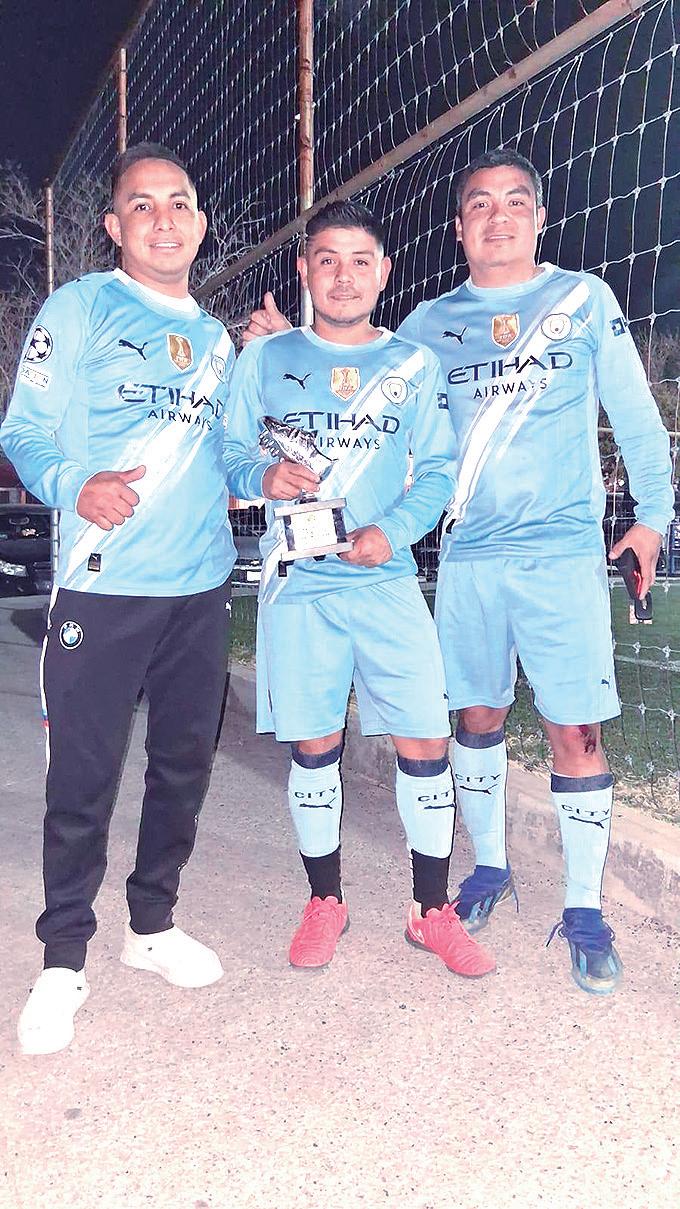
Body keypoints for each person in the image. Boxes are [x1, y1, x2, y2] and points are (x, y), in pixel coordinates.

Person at [243, 151, 674, 995]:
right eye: (480, 204)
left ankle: (585, 910)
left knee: (576, 730)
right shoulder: (427, 327)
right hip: (469, 555)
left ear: (539, 217)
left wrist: (652, 516)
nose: (498, 216)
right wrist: (281, 347)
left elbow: (634, 412)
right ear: (459, 227)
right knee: (474, 718)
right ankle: (489, 870)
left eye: (515, 201)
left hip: (560, 553)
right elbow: (354, 379)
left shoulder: (584, 300)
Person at [1, 143, 237, 1054]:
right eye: (143, 205)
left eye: (179, 202)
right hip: (103, 591)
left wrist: (265, 456)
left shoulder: (217, 343)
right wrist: (75, 484)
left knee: (183, 765)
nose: (163, 218)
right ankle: (63, 959)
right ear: (114, 226)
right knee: (82, 778)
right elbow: (23, 430)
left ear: (200, 223)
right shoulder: (81, 307)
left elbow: (230, 462)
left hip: (200, 589)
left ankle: (152, 924)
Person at [224, 200, 494, 978]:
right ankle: (325, 901)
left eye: (359, 261)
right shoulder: (264, 360)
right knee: (315, 745)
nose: (343, 276)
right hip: (299, 583)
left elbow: (437, 471)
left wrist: (392, 531)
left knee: (426, 739)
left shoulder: (413, 365)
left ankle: (430, 911)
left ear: (384, 271)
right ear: (304, 270)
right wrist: (262, 475)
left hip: (384, 577)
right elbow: (229, 452)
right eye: (327, 260)